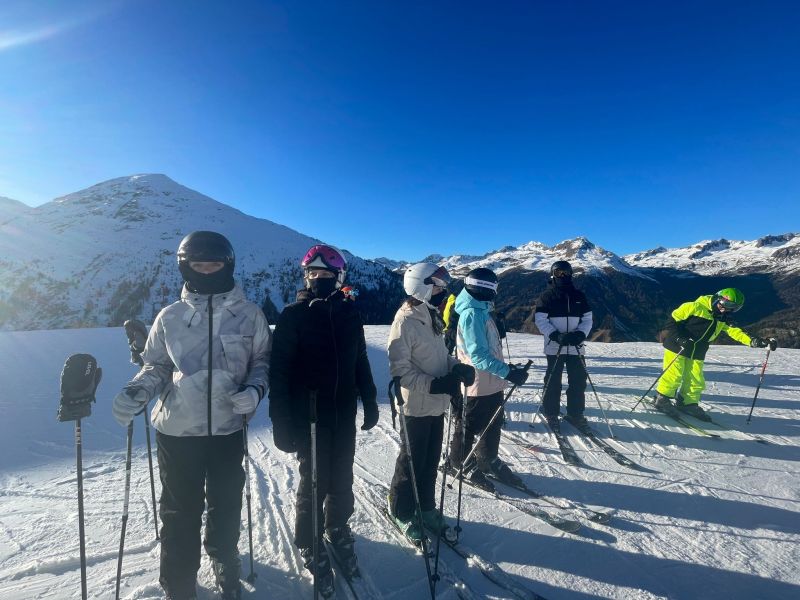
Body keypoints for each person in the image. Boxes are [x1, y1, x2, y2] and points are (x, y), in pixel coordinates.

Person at [112, 231, 271, 600]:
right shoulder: (170, 317)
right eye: (199, 265)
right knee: (179, 509)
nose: (207, 271)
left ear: (228, 265)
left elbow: (261, 362)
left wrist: (254, 391)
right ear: (185, 267)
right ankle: (179, 580)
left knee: (226, 501)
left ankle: (223, 557)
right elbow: (156, 366)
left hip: (228, 427)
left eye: (214, 265)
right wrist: (139, 390)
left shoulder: (250, 315)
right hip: (178, 430)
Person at [268, 244, 378, 593]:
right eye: (313, 274)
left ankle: (337, 526)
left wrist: (370, 398)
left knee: (342, 474)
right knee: (314, 479)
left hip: (343, 411)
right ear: (305, 277)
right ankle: (308, 538)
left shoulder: (350, 313)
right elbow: (279, 372)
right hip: (310, 415)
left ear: (339, 278)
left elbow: (360, 359)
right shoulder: (293, 315)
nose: (319, 279)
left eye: (326, 274)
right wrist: (281, 420)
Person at [386, 263, 475, 542]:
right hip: (414, 406)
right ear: (420, 287)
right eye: (438, 287)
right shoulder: (405, 322)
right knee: (412, 462)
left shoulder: (431, 315)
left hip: (436, 404)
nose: (443, 292)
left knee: (431, 459)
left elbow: (439, 355)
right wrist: (435, 385)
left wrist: (456, 367)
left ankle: (425, 507)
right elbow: (400, 372)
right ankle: (401, 511)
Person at [446, 267, 529, 492]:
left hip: (491, 381)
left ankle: (487, 458)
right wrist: (508, 372)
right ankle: (458, 462)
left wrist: (507, 369)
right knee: (469, 426)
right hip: (477, 383)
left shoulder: (482, 310)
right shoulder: (472, 314)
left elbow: (490, 350)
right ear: (484, 288)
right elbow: (478, 356)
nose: (496, 292)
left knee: (492, 424)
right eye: (494, 287)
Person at [655, 288, 778, 421]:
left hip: (698, 350)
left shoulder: (722, 317)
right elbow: (671, 322)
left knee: (695, 378)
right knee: (674, 373)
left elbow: (736, 332)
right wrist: (679, 338)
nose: (726, 309)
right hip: (677, 345)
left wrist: (758, 342)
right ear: (718, 299)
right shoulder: (694, 307)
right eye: (726, 305)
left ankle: (687, 403)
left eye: (733, 308)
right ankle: (662, 398)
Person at [534, 260, 593, 431]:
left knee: (578, 381)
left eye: (565, 272)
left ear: (571, 274)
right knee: (553, 381)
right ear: (553, 274)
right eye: (558, 272)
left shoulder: (579, 296)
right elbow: (540, 320)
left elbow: (587, 319)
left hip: (575, 345)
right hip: (555, 346)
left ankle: (575, 414)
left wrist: (580, 334)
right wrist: (555, 335)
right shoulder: (547, 296)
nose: (562, 275)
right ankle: (551, 413)